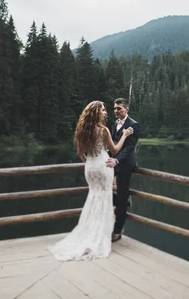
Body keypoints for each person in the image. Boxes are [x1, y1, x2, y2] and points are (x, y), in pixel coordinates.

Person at [49, 100, 133, 261]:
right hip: (103, 166)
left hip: (90, 167)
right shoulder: (103, 130)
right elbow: (115, 150)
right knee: (104, 199)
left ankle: (88, 234)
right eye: (102, 110)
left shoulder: (82, 130)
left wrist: (91, 162)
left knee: (94, 197)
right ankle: (98, 236)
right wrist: (124, 135)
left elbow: (81, 154)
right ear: (96, 112)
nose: (105, 112)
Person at [106, 98, 140, 243]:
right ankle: (125, 201)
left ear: (127, 109)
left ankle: (117, 230)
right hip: (114, 163)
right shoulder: (116, 123)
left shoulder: (133, 125)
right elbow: (115, 142)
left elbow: (129, 147)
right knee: (103, 188)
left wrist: (117, 160)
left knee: (120, 196)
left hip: (125, 164)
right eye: (114, 108)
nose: (116, 111)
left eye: (119, 108)